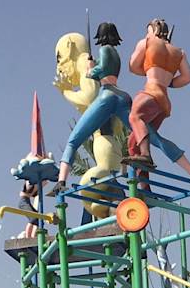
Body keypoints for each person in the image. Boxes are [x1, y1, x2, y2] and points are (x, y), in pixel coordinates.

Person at [127, 20, 190, 187]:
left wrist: (149, 70)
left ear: (153, 30)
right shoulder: (179, 52)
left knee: (134, 116)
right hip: (164, 101)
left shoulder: (147, 42)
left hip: (151, 91)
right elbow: (187, 78)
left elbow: (133, 66)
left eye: (148, 30)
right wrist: (169, 80)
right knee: (134, 142)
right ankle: (145, 188)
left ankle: (146, 155)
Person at [55, 22, 132, 190]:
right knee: (144, 134)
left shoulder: (84, 61)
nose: (59, 66)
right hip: (111, 134)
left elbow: (88, 96)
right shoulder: (112, 54)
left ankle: (61, 182)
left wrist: (66, 91)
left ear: (70, 48)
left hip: (103, 136)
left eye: (59, 58)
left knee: (73, 142)